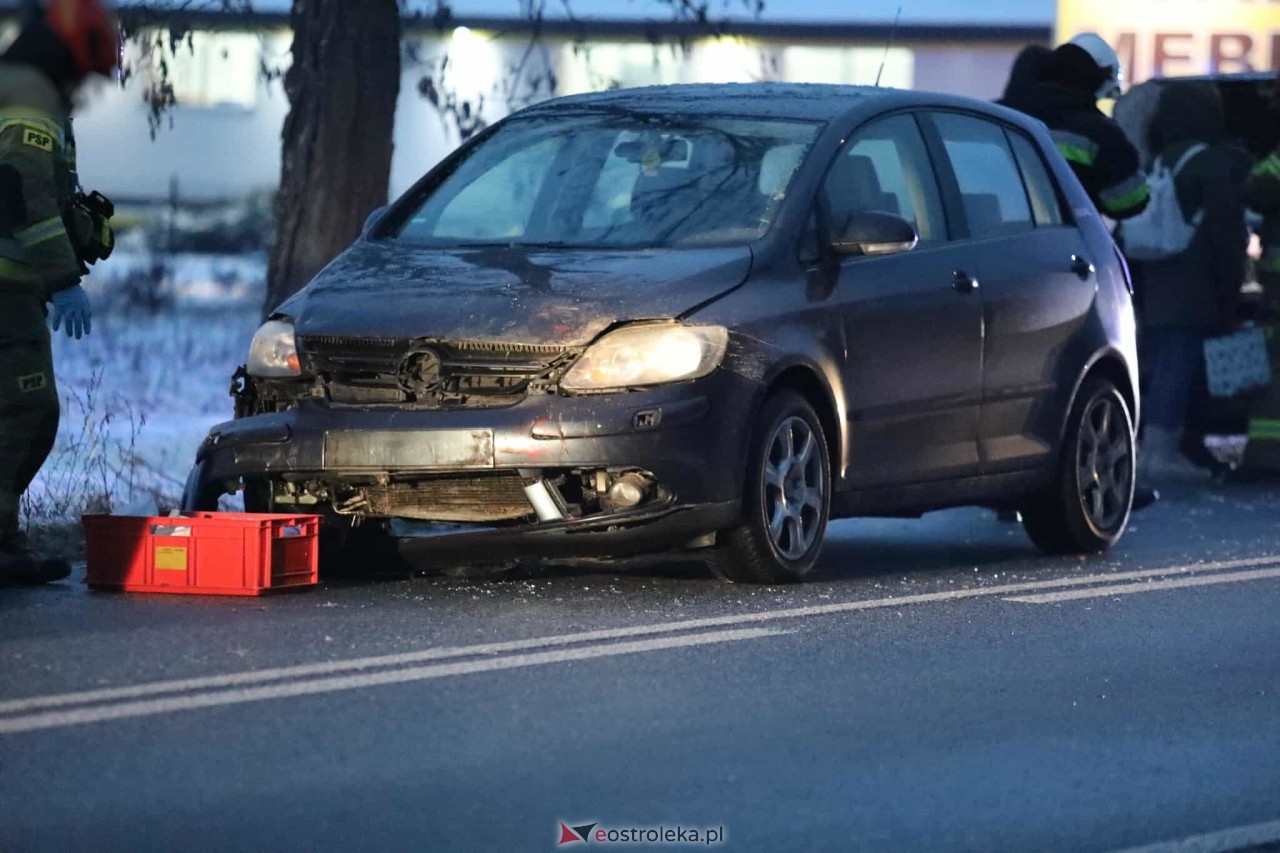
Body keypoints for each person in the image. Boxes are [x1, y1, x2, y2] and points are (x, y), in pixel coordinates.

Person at [0, 0, 118, 586]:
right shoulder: (27, 97)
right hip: (7, 291)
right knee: (26, 411)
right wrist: (63, 278)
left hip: (15, 287)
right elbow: (24, 194)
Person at [1133, 81, 1250, 481]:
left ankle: (1151, 449)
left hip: (1158, 279)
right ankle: (1165, 451)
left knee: (1163, 363)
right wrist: (1231, 288)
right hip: (1195, 282)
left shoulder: (1157, 159)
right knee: (1181, 367)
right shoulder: (1214, 163)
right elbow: (1226, 232)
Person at [1001, 33, 1150, 222]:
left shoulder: (990, 118)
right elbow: (1127, 203)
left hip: (985, 238)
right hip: (1065, 244)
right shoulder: (1100, 134)